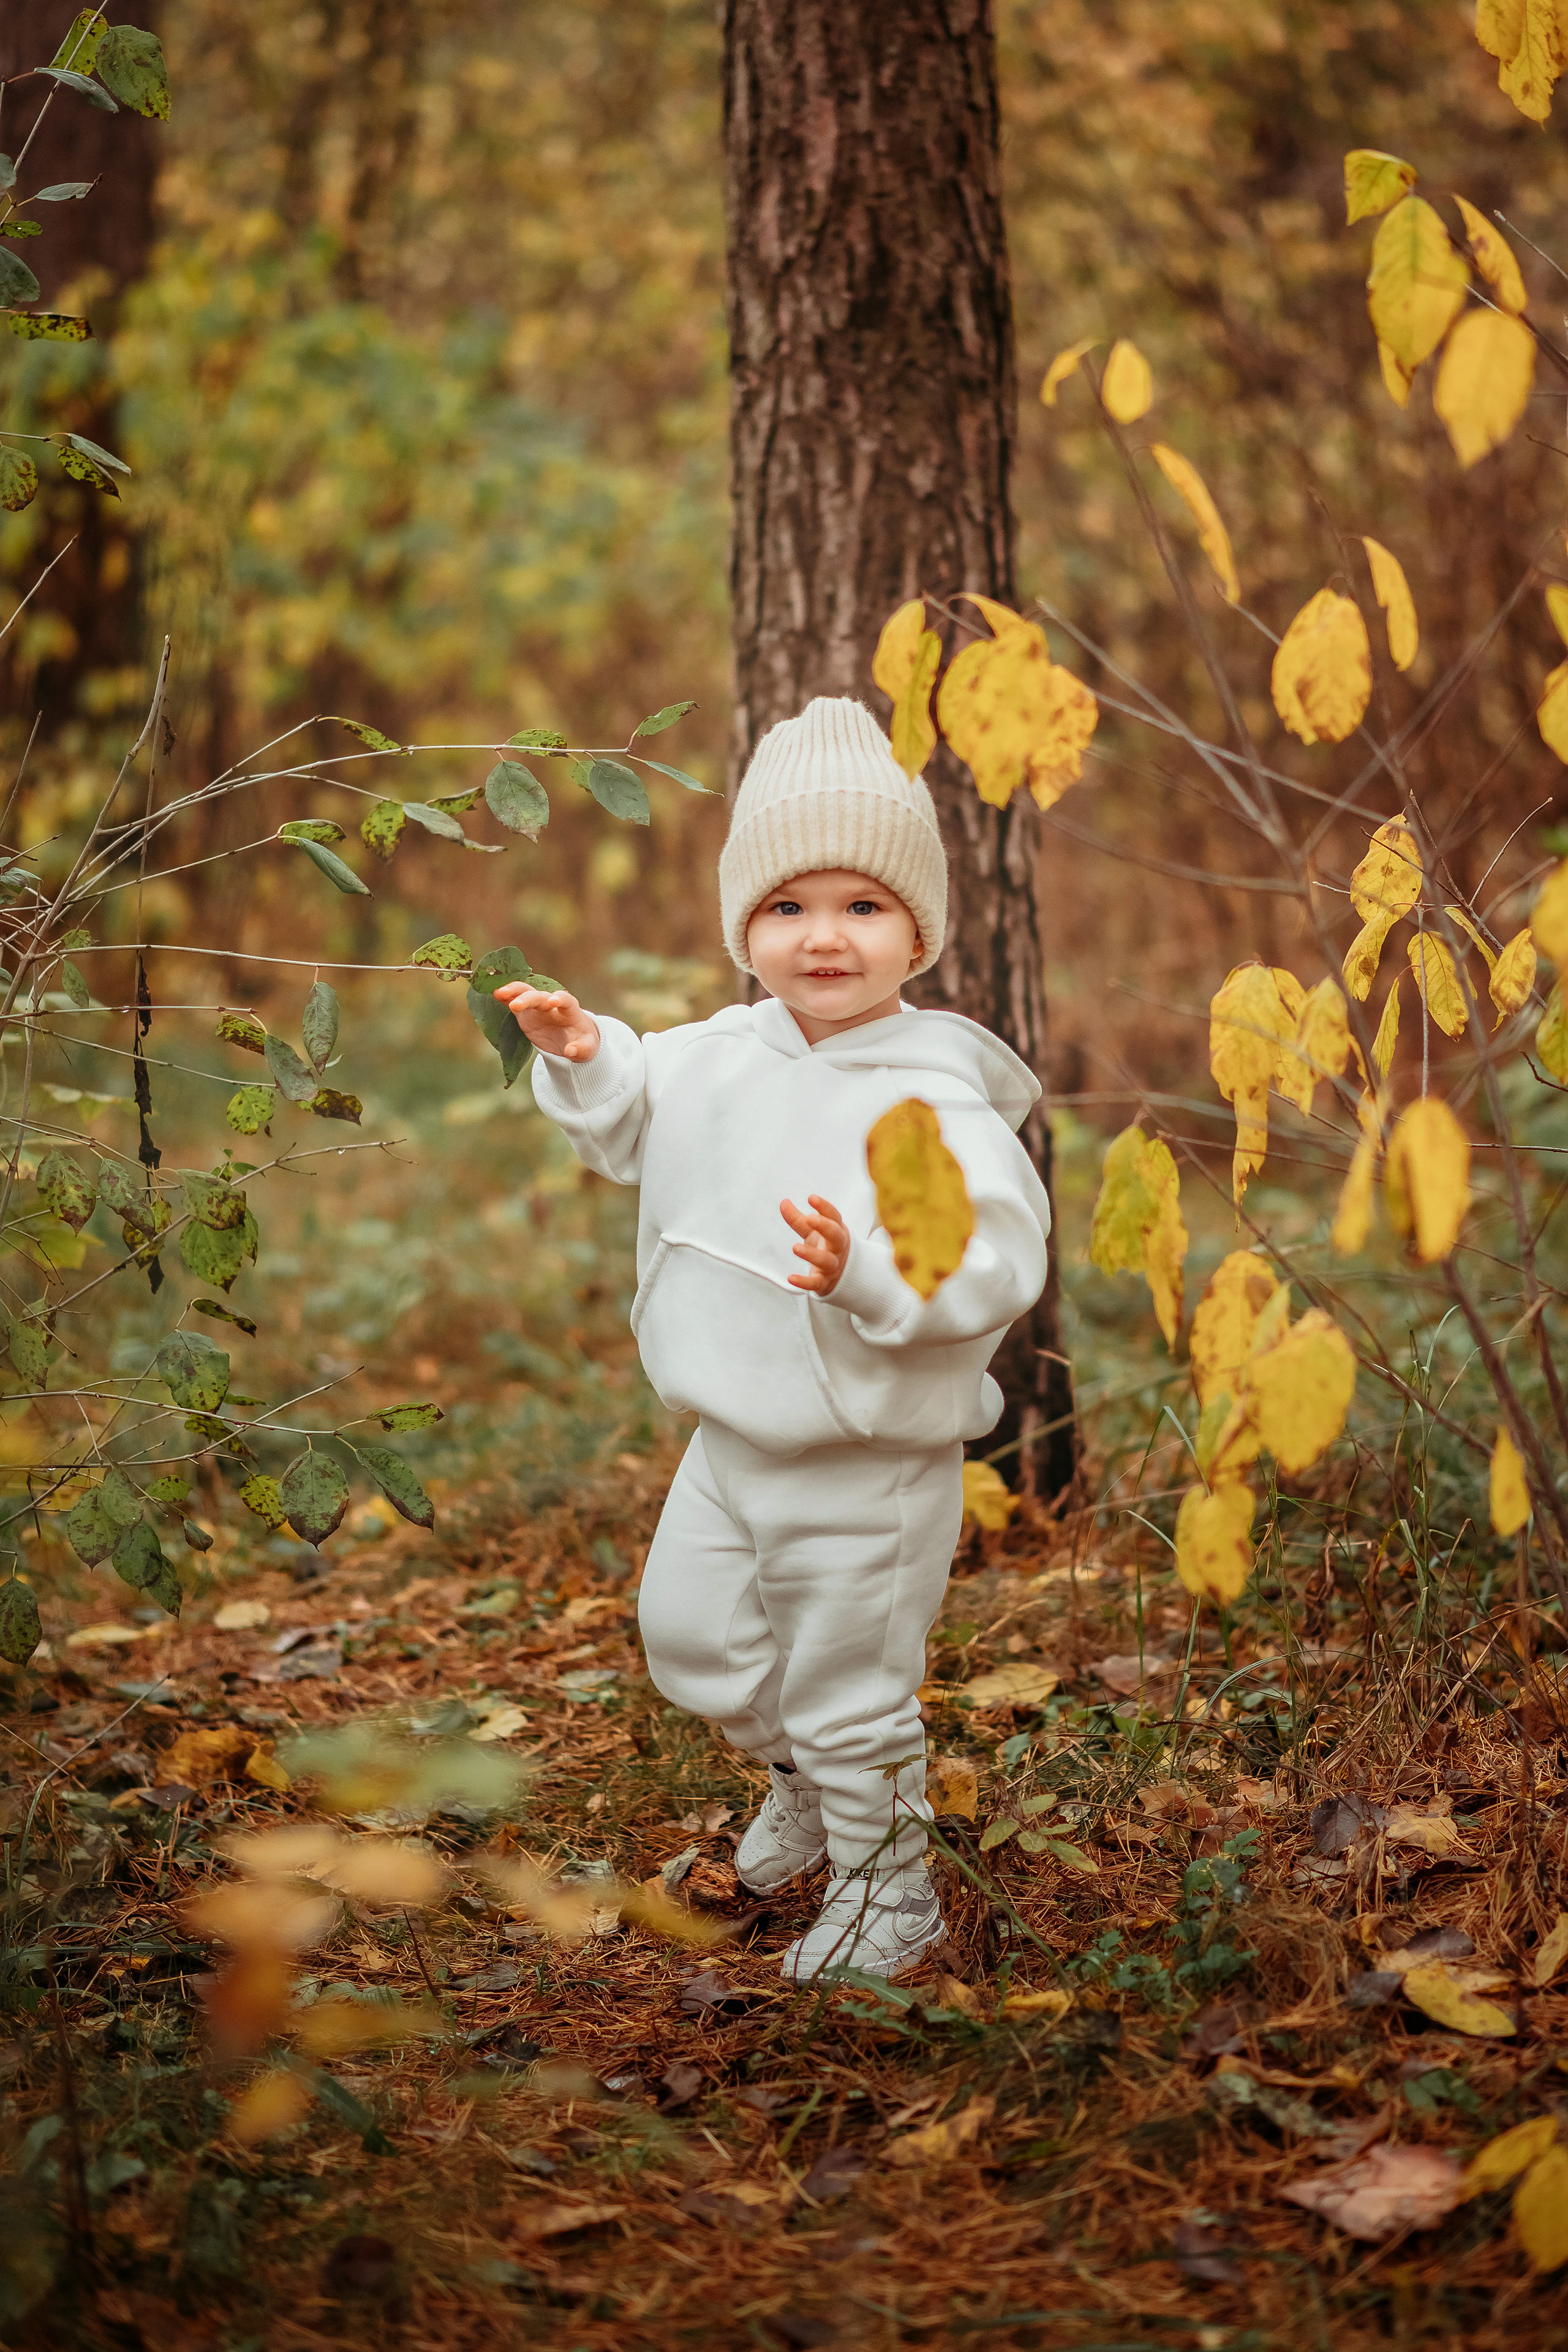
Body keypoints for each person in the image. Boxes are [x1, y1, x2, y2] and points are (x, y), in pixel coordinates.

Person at [497, 696, 1050, 1982]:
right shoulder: (715, 1055)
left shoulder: (929, 1089)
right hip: (728, 1434)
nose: (822, 937)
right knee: (690, 1641)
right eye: (788, 907)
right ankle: (802, 1779)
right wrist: (583, 1056)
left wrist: (866, 1276)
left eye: (862, 907)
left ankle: (885, 1891)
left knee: (849, 1683)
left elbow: (996, 1253)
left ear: (917, 931)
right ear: (744, 923)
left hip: (862, 1454)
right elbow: (633, 1112)